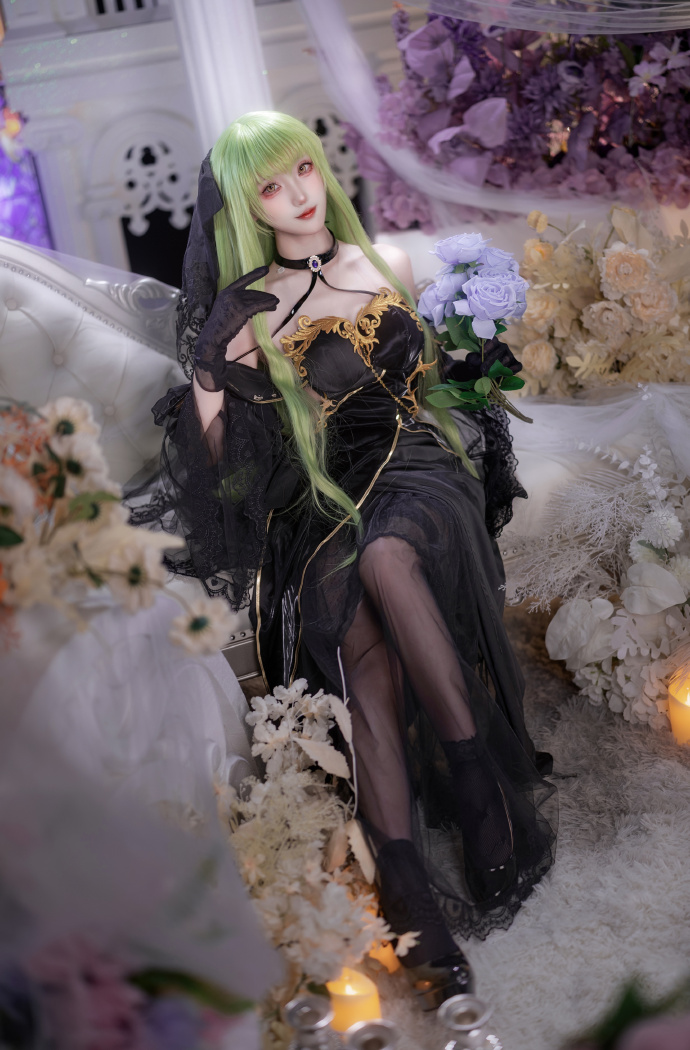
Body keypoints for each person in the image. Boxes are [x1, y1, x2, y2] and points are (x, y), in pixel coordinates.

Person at [153, 110, 557, 1007]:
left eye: (302, 169)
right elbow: (218, 471)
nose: (297, 193)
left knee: (386, 560)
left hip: (418, 470)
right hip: (324, 497)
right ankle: (407, 887)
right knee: (354, 641)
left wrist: (479, 353)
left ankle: (475, 784)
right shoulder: (252, 306)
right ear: (250, 208)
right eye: (270, 186)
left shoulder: (392, 261)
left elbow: (446, 384)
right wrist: (212, 362)